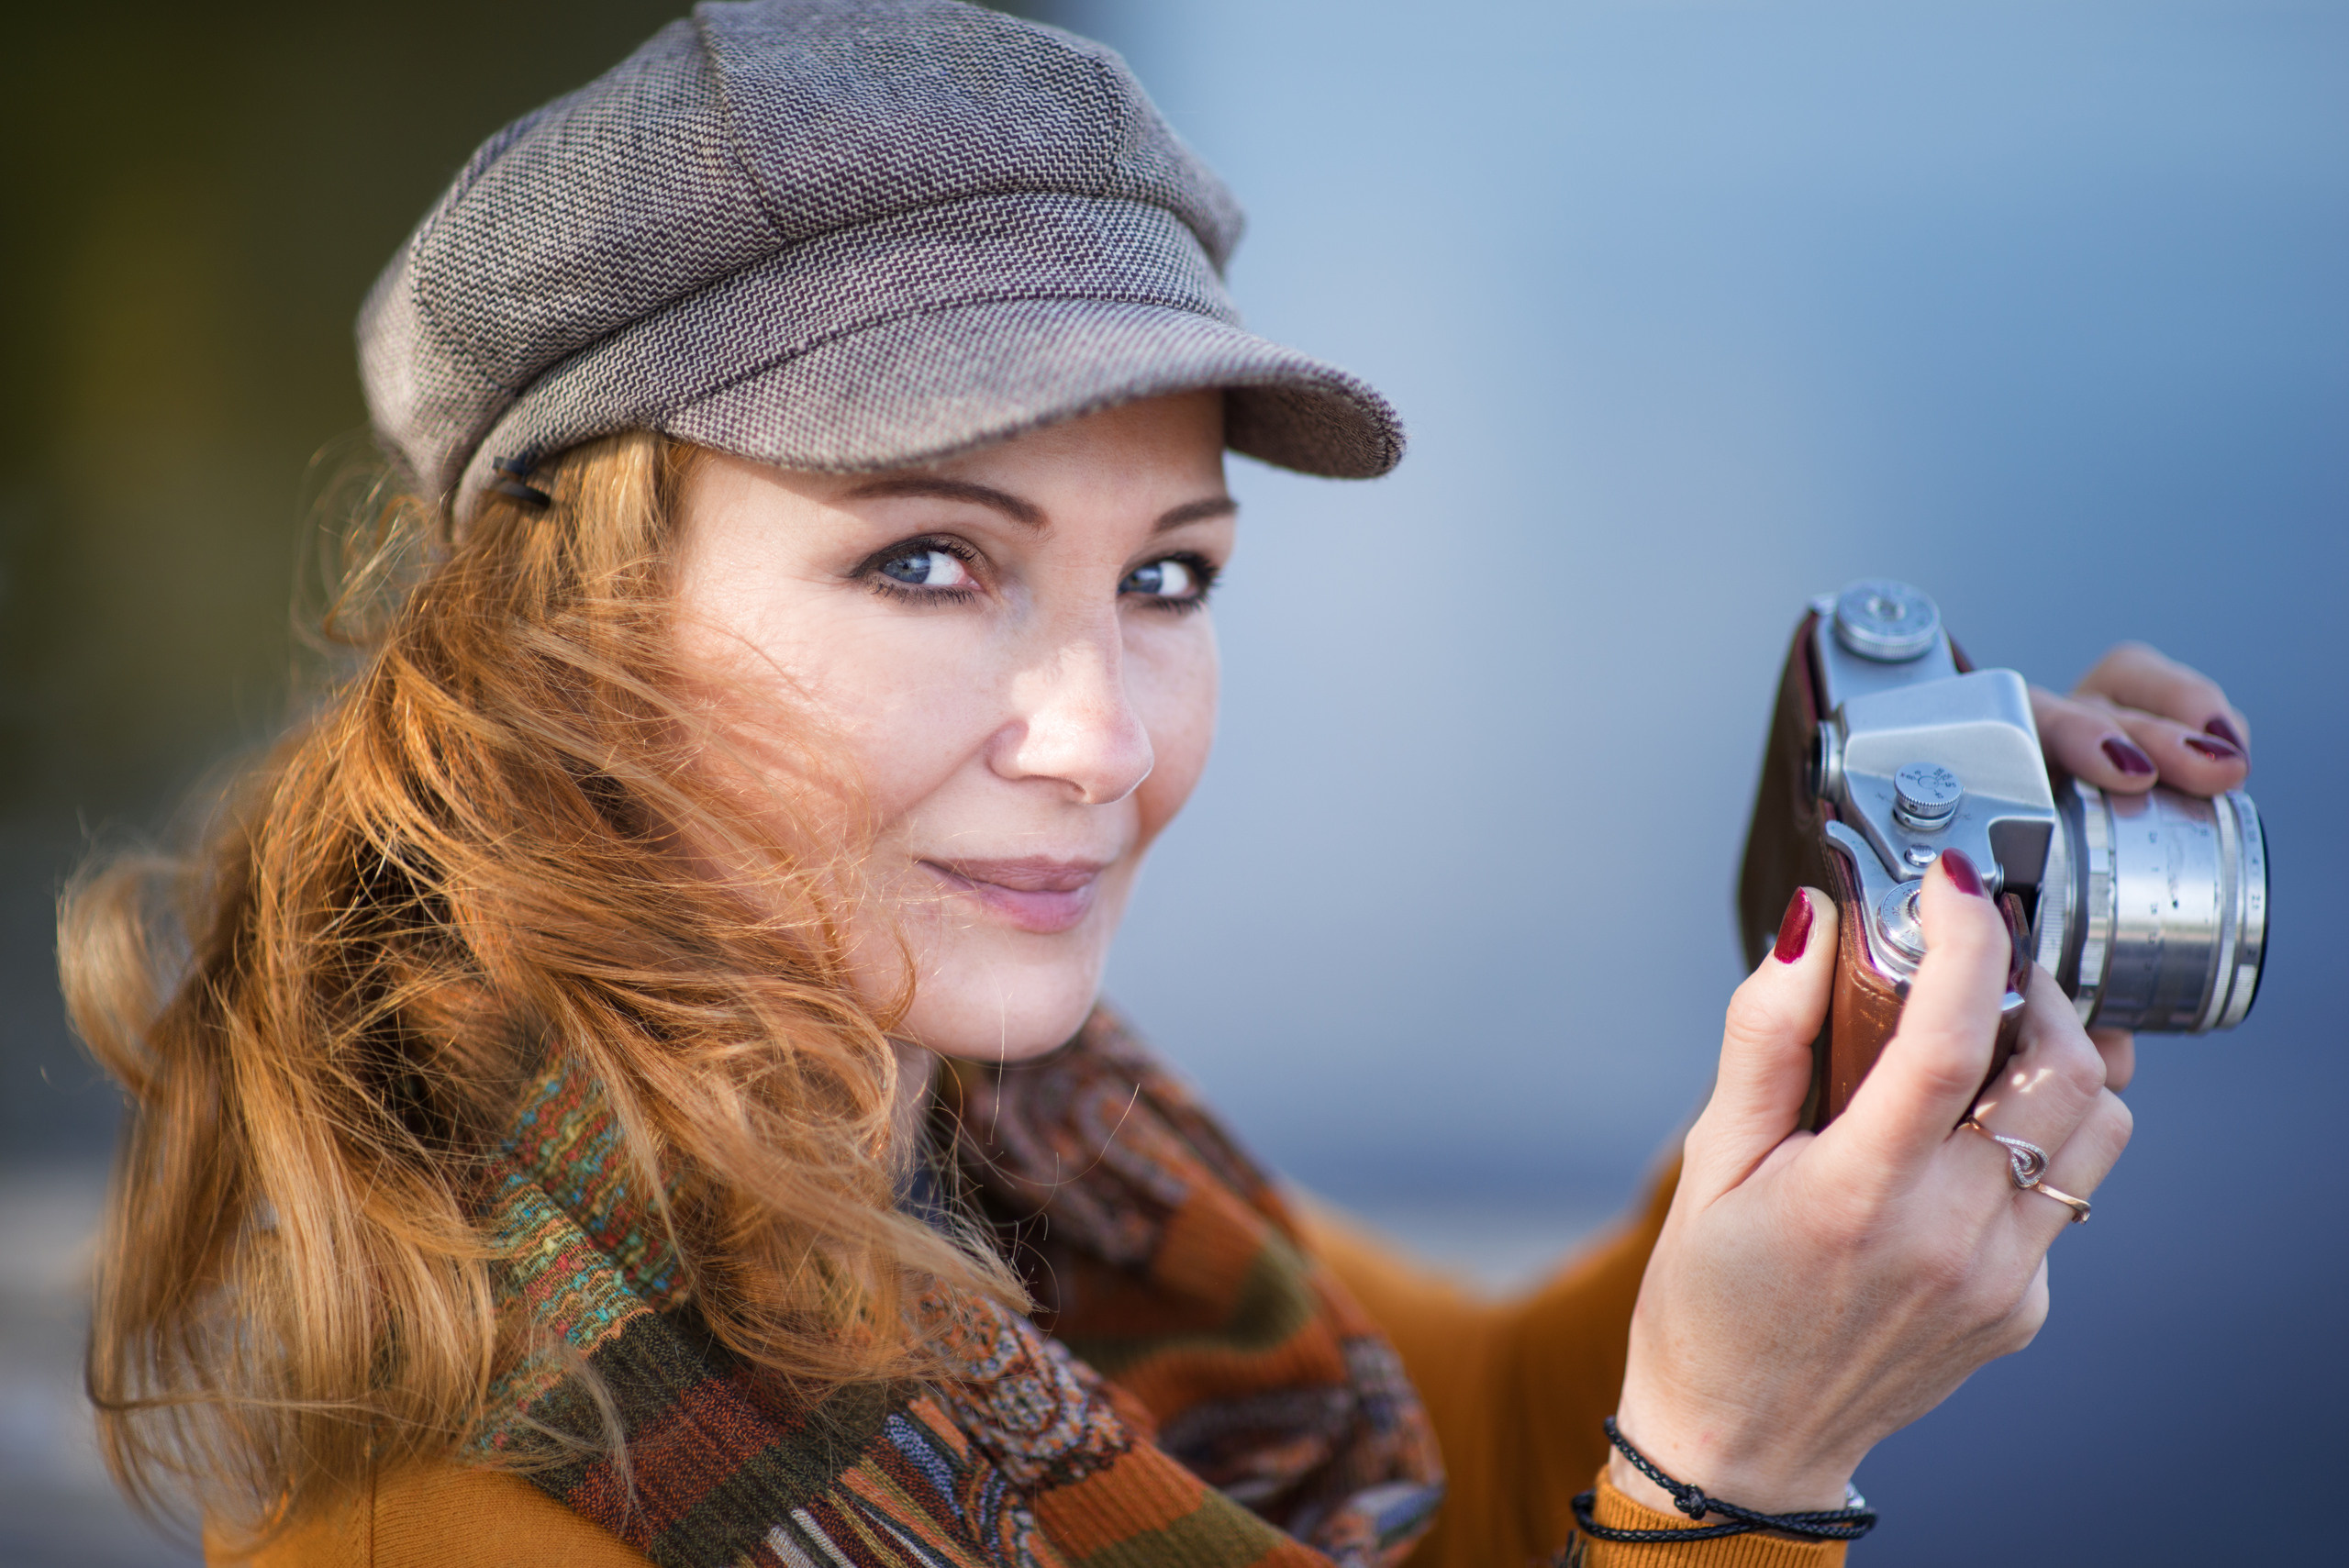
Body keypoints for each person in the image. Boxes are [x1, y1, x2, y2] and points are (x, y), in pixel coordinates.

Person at [62, 4, 2254, 1565]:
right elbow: (1617, 1482)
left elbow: (1494, 1445)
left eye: (1166, 578)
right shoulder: (455, 1513)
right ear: (574, 645)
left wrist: (1837, 1048)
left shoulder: (1025, 1153)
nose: (1101, 738)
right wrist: (1726, 1489)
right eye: (928, 564)